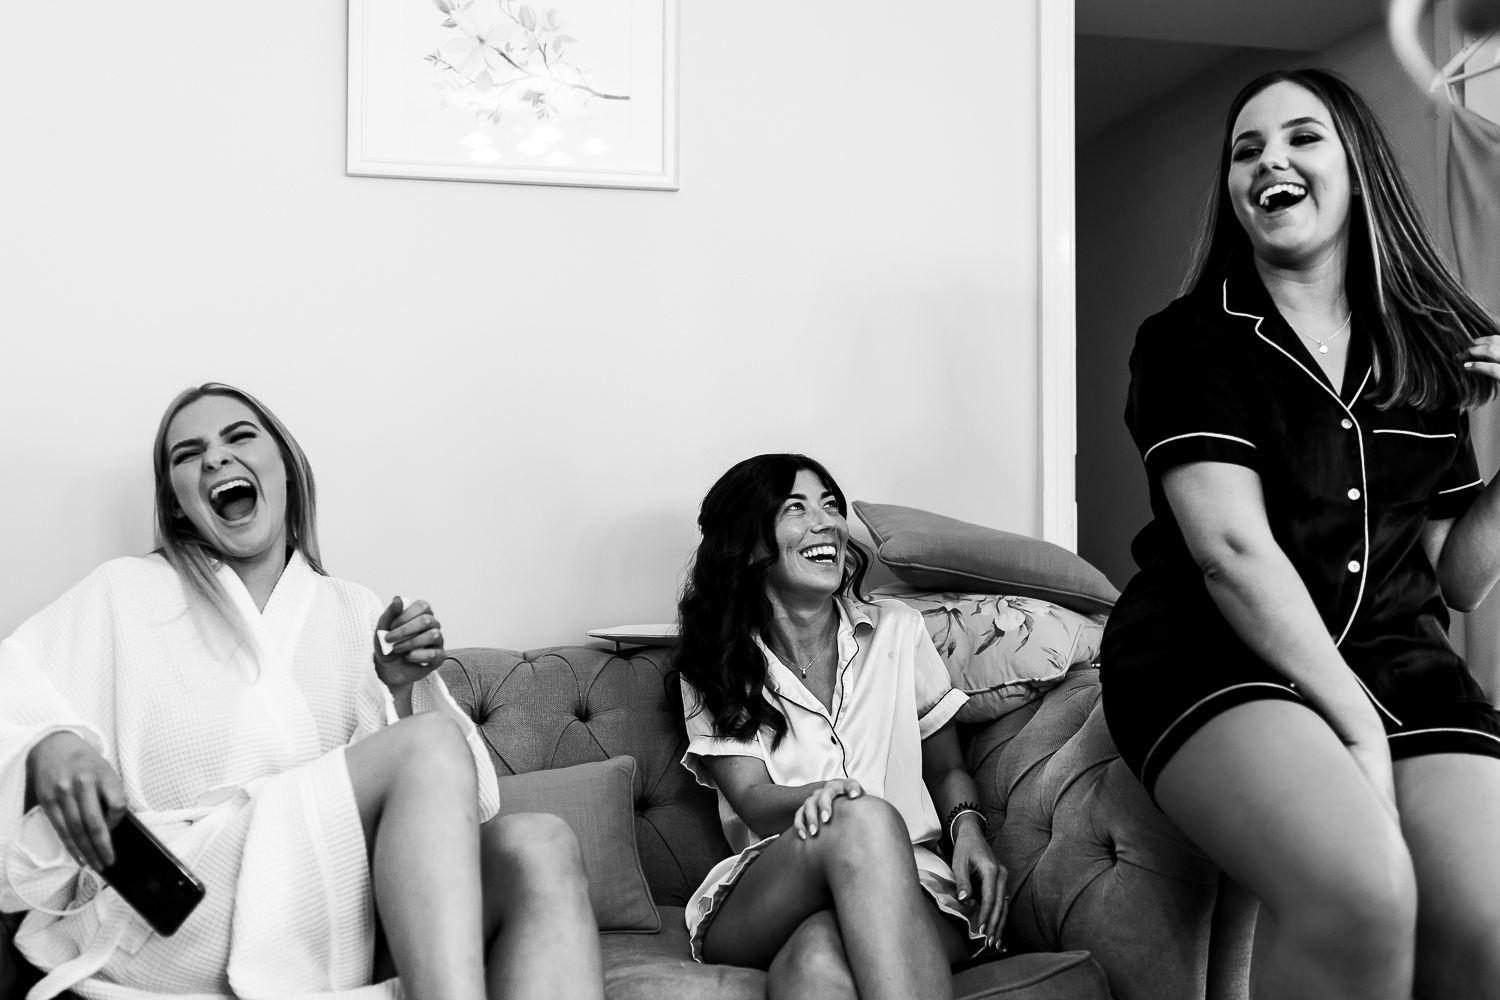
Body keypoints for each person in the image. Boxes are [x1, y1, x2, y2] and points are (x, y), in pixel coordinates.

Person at [0, 383, 603, 1000]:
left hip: (329, 914)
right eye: (189, 454)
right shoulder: (121, 593)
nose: (215, 459)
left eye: (238, 438)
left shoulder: (352, 610)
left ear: (284, 468)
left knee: (540, 844)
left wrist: (400, 693)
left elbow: (445, 820)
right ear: (178, 505)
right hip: (177, 908)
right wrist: (50, 746)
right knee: (426, 745)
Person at [1100, 69, 1500, 999]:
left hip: (1400, 665)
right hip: (1213, 657)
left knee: (1488, 918)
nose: (1269, 159)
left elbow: (1460, 579)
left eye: (1302, 137)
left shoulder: (1430, 352)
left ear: (1358, 168)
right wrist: (1355, 727)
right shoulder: (1189, 341)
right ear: (1237, 197)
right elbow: (1230, 553)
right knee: (1360, 891)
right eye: (1246, 151)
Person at [673, 454, 1007, 1000]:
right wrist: (830, 797)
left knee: (817, 957)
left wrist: (969, 831)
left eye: (831, 505)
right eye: (796, 509)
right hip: (777, 881)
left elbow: (946, 766)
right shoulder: (716, 659)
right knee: (859, 818)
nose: (826, 521)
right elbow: (754, 797)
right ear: (748, 541)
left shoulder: (899, 630)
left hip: (914, 881)